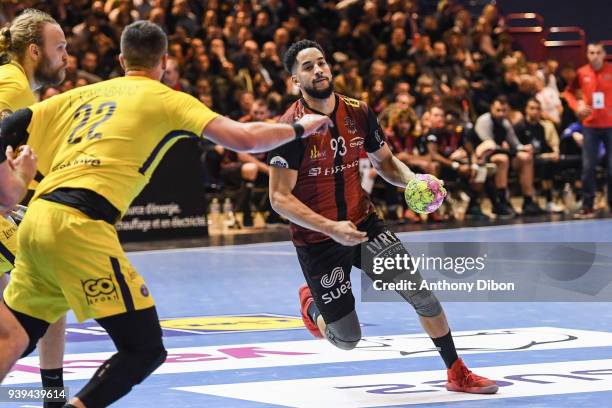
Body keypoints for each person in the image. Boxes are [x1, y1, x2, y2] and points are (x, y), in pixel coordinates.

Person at [0, 21, 330, 408]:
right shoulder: (168, 97)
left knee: (13, 339)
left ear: (122, 60)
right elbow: (245, 138)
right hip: (78, 224)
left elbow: (10, 124)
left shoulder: (82, 94)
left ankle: (53, 397)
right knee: (144, 350)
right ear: (165, 62)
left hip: (35, 220)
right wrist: (298, 127)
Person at [268, 40, 498, 395]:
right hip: (319, 240)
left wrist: (416, 182)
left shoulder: (358, 111)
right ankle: (312, 305)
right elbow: (279, 198)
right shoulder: (289, 129)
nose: (319, 70)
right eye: (308, 67)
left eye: (322, 62)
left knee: (423, 296)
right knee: (346, 339)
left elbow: (386, 163)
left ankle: (457, 372)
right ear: (295, 80)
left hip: (364, 225)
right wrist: (330, 227)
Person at [0, 9, 69, 407]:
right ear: (33, 50)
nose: (65, 56)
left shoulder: (17, 85)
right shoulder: (11, 86)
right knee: (51, 284)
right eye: (59, 47)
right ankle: (53, 398)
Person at [473, 96, 547, 218]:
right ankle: (502, 201)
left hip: (502, 154)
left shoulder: (505, 122)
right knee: (503, 159)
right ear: (492, 108)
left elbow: (515, 144)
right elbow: (489, 146)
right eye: (498, 110)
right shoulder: (484, 121)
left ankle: (528, 201)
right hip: (482, 157)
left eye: (504, 111)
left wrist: (523, 148)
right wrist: (511, 150)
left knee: (525, 157)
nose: (501, 113)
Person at [564, 42, 612, 218]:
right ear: (587, 55)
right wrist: (577, 106)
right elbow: (568, 92)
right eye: (591, 53)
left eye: (598, 53)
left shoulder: (611, 70)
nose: (595, 56)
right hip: (590, 127)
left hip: (610, 126)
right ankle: (588, 206)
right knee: (588, 168)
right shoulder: (582, 73)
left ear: (604, 54)